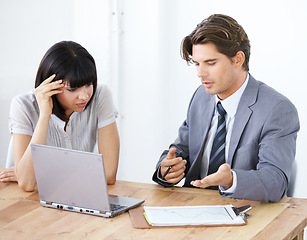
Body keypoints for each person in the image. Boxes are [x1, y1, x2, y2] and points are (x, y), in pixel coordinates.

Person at [152, 14, 300, 202]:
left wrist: (232, 180)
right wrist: (166, 168)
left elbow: (275, 182)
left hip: (245, 215)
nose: (200, 73)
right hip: (191, 208)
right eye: (197, 64)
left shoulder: (277, 109)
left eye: (210, 63)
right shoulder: (201, 97)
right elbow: (180, 149)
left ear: (238, 59)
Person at [0, 41, 120, 191]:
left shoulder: (100, 95)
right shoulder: (23, 105)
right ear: (51, 86)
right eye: (73, 89)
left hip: (81, 194)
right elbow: (27, 182)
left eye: (89, 84)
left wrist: (41, 173)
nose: (84, 96)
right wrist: (44, 115)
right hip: (34, 202)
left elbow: (108, 174)